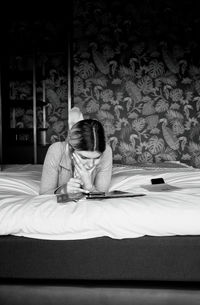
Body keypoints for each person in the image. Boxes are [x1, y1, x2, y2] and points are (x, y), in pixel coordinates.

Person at [39, 119, 113, 195]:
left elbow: (102, 195)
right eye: (84, 157)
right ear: (70, 149)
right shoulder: (56, 150)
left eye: (97, 158)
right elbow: (43, 194)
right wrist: (62, 190)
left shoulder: (106, 151)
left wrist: (89, 187)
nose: (91, 164)